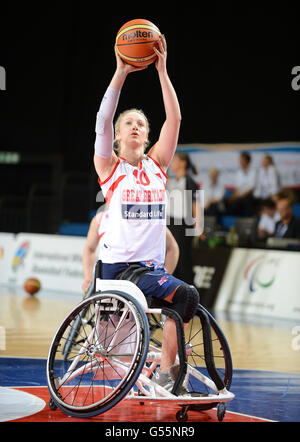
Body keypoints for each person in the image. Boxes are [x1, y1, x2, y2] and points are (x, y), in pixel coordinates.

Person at [93, 36, 199, 391]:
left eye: (141, 123)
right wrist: (121, 72)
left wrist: (162, 70)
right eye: (129, 124)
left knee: (180, 297)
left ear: (149, 135)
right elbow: (103, 119)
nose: (136, 126)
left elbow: (176, 117)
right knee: (186, 295)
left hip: (149, 271)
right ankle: (169, 374)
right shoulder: (110, 169)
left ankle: (169, 367)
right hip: (121, 269)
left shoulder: (157, 166)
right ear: (118, 138)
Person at [82, 208, 180, 291]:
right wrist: (88, 278)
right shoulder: (101, 219)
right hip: (110, 275)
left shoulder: (144, 218)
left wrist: (165, 275)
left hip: (140, 273)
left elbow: (172, 248)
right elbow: (89, 249)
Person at [166, 152, 199, 285]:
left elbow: (195, 203)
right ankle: (173, 289)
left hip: (182, 224)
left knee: (183, 258)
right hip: (170, 222)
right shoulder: (172, 181)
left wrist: (197, 224)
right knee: (170, 257)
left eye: (175, 161)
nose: (172, 164)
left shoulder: (189, 181)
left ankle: (190, 288)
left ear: (183, 163)